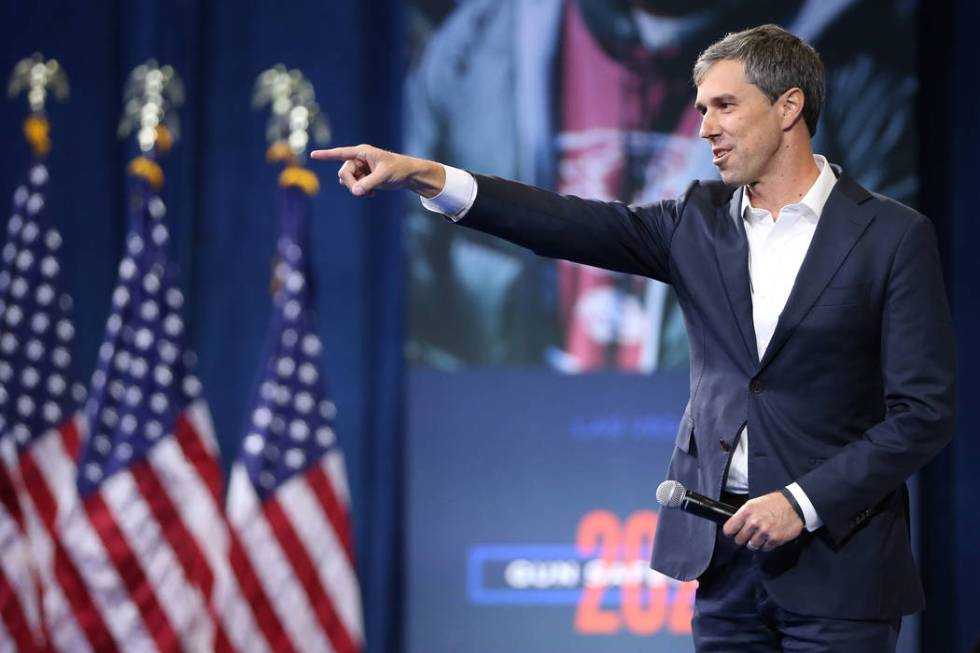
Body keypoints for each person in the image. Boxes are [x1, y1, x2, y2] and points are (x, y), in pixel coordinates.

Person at [313, 24, 954, 653]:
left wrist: (801, 502)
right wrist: (429, 176)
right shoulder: (697, 220)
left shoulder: (891, 235)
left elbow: (923, 414)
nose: (705, 127)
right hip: (724, 557)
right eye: (702, 108)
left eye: (724, 106)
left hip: (840, 564)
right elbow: (564, 223)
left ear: (789, 107)